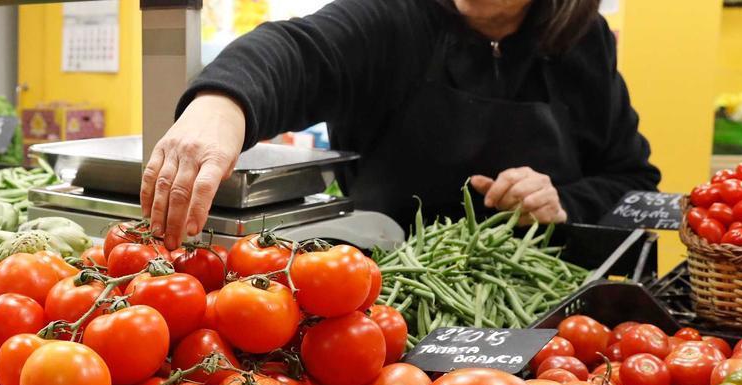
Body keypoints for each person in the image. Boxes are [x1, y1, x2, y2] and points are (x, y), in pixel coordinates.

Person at [142, 0, 661, 249]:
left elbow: (633, 183)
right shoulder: (393, 18)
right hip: (383, 314)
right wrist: (221, 106)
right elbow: (299, 50)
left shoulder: (582, 41)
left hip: (547, 321)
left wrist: (565, 204)